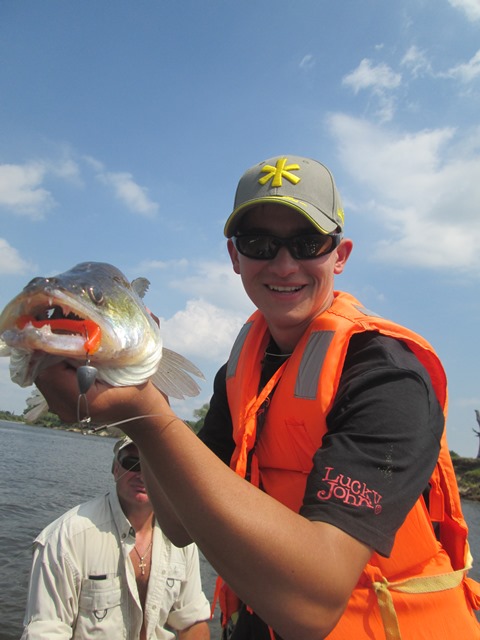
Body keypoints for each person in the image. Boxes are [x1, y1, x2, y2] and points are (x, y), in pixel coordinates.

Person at [35, 155, 480, 640]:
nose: (284, 264)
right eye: (259, 244)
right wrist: (144, 390)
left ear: (340, 255)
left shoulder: (387, 378)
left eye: (308, 243)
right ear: (235, 256)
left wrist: (143, 415)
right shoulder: (239, 374)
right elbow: (178, 523)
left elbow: (312, 609)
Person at [21, 436, 211, 640]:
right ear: (115, 469)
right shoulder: (64, 538)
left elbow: (192, 623)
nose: (143, 475)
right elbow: (46, 632)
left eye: (155, 465)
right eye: (132, 463)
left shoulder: (181, 537)